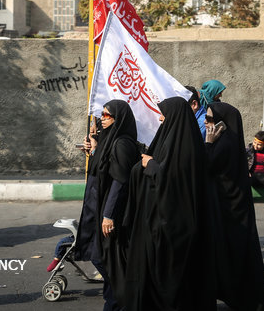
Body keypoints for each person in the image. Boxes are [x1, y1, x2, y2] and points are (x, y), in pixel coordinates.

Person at [124, 97, 216, 311]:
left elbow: (176, 183)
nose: (160, 117)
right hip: (160, 221)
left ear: (175, 116)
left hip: (176, 225)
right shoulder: (171, 140)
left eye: (164, 114)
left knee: (172, 276)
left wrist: (153, 165)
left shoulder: (187, 148)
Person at [205, 102, 264, 311]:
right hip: (233, 207)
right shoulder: (229, 140)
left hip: (230, 211)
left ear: (223, 122)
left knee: (234, 257)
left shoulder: (224, 143)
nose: (207, 123)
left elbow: (206, 167)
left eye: (211, 119)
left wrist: (208, 143)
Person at [76, 100, 139, 311]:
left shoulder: (122, 143)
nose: (102, 118)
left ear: (118, 118)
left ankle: (121, 299)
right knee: (102, 258)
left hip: (111, 214)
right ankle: (114, 301)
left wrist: (108, 215)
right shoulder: (108, 139)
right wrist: (93, 149)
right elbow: (100, 169)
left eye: (106, 115)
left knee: (104, 259)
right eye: (101, 114)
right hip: (99, 208)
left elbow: (120, 181)